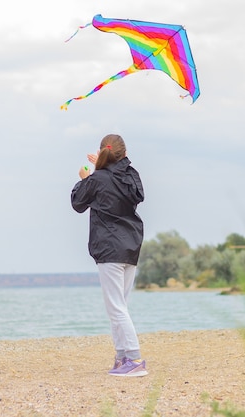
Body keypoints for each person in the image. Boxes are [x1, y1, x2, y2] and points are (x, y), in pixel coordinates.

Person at [71, 134, 148, 377]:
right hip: (131, 247)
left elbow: (78, 203)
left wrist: (87, 178)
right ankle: (121, 358)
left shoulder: (97, 179)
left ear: (102, 152)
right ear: (124, 154)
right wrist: (100, 169)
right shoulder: (131, 176)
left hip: (109, 249)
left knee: (116, 308)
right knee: (120, 306)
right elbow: (122, 183)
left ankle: (134, 360)